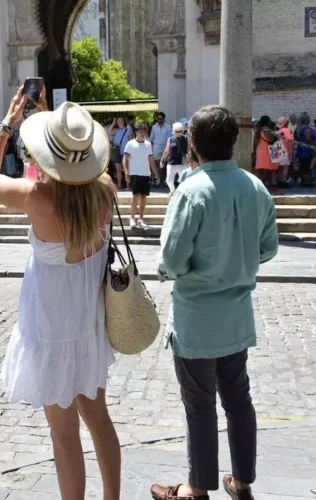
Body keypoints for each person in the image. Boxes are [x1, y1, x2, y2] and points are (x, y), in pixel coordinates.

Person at [0, 87, 121, 500]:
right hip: (88, 328)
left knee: (63, 434)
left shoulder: (35, 198)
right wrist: (49, 118)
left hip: (49, 331)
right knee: (99, 421)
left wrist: (8, 124)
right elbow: (80, 173)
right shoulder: (105, 191)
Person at [151, 105, 278, 500]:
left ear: (192, 143)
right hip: (236, 316)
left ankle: (196, 488)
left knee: (200, 405)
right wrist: (235, 261)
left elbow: (171, 261)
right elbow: (268, 249)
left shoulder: (191, 191)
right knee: (239, 400)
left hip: (197, 319)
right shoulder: (255, 187)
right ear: (234, 141)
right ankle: (241, 482)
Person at [123, 123, 156, 229]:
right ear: (136, 132)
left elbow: (151, 159)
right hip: (134, 173)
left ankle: (141, 219)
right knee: (135, 196)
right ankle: (132, 217)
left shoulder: (148, 144)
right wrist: (126, 172)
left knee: (143, 197)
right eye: (141, 131)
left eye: (145, 132)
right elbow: (125, 159)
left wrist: (156, 173)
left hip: (145, 173)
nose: (143, 134)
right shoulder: (130, 143)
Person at [161, 122, 188, 195]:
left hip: (182, 163)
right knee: (169, 180)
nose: (178, 133)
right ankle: (172, 191)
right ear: (173, 131)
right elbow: (166, 151)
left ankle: (183, 192)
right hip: (171, 162)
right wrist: (162, 160)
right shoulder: (170, 139)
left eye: (180, 131)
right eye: (176, 131)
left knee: (184, 180)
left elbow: (189, 150)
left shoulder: (186, 138)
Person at [254, 115, 278, 192]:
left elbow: (255, 143)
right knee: (266, 170)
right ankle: (258, 186)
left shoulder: (259, 130)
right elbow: (271, 139)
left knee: (264, 170)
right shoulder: (266, 129)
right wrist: (275, 135)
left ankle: (262, 185)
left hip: (261, 150)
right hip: (266, 151)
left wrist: (254, 153)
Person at [108, 117, 133, 189]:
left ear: (124, 121)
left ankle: (128, 185)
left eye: (121, 120)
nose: (120, 122)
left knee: (126, 169)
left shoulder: (128, 129)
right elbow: (109, 132)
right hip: (117, 151)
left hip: (125, 152)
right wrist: (113, 123)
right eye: (118, 121)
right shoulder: (116, 130)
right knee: (118, 169)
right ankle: (119, 184)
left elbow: (131, 138)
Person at [149, 111, 172, 186]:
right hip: (156, 147)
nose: (159, 120)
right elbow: (151, 139)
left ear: (164, 119)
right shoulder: (154, 127)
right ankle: (158, 180)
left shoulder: (168, 127)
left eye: (161, 119)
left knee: (165, 164)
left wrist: (169, 148)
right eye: (158, 119)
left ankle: (165, 180)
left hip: (165, 146)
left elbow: (170, 138)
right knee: (157, 164)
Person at [295, 112, 316, 187]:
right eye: (308, 118)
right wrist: (313, 147)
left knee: (302, 166)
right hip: (307, 150)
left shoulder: (298, 129)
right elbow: (308, 139)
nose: (310, 119)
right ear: (306, 120)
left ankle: (303, 181)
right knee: (307, 166)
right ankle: (307, 182)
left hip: (301, 150)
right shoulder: (306, 129)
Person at [275, 117, 294, 189]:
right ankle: (283, 182)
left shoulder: (278, 131)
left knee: (280, 168)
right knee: (285, 167)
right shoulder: (287, 130)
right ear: (286, 123)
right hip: (285, 150)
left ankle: (279, 181)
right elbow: (289, 141)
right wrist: (290, 151)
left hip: (278, 150)